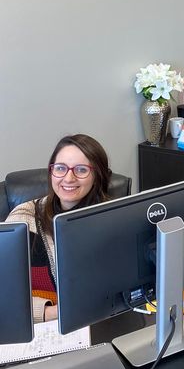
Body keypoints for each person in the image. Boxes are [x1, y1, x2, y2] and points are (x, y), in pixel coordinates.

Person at [5, 134, 111, 323]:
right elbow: (5, 294)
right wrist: (49, 312)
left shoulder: (114, 217)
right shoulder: (24, 218)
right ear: (51, 172)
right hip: (42, 326)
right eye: (60, 168)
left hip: (103, 320)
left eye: (81, 170)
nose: (68, 178)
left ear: (97, 175)